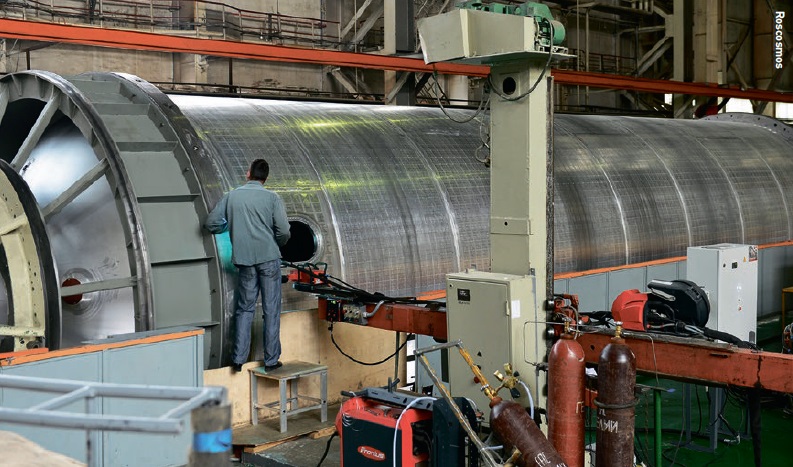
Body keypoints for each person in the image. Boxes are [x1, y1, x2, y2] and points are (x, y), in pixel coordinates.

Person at [205, 159, 291, 372]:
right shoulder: (272, 198)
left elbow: (211, 223)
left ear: (248, 173)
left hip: (244, 261)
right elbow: (284, 231)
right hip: (269, 259)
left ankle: (238, 359)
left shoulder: (232, 196)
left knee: (244, 309)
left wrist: (230, 225)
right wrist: (274, 243)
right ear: (266, 178)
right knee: (271, 310)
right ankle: (271, 361)